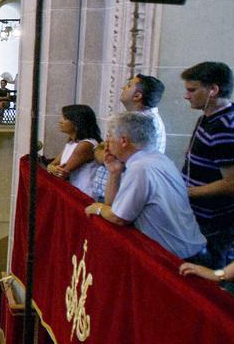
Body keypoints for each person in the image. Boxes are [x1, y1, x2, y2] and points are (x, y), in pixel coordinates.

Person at [84, 112, 208, 262]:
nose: (107, 142)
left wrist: (98, 208)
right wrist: (114, 172)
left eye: (110, 135)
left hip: (178, 258)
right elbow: (114, 206)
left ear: (123, 140)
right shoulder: (157, 158)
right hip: (190, 250)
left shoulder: (140, 167)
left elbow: (119, 218)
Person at [181, 62, 234, 270]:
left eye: (192, 90)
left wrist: (189, 192)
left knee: (207, 277)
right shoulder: (208, 118)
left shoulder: (225, 128)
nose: (186, 95)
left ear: (213, 90)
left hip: (213, 221)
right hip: (199, 214)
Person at [47, 104, 102, 198]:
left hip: (85, 193)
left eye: (65, 118)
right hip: (75, 191)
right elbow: (53, 164)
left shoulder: (86, 145)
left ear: (77, 123)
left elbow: (62, 172)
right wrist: (51, 167)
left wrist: (52, 169)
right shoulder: (72, 142)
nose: (60, 121)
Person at [120, 74, 166, 152]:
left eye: (128, 86)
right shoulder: (142, 116)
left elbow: (119, 153)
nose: (123, 88)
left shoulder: (143, 122)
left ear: (137, 96)